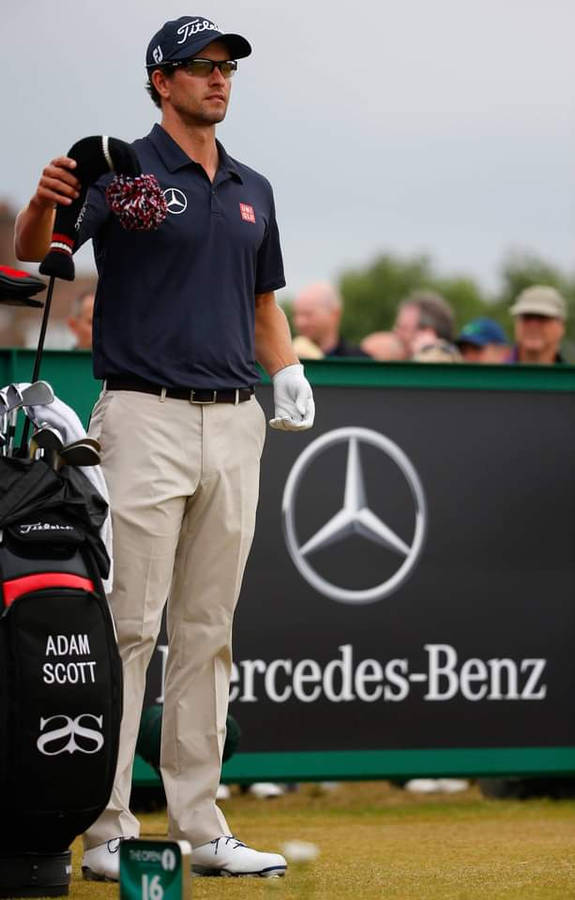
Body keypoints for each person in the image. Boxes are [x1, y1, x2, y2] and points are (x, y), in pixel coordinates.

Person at [15, 15, 314, 880]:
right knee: (128, 626)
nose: (218, 78)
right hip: (143, 414)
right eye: (201, 66)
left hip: (234, 418)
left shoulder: (253, 186)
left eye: (227, 68)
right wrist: (41, 201)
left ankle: (200, 825)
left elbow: (262, 304)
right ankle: (106, 827)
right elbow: (38, 253)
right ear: (161, 80)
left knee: (208, 631)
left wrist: (287, 370)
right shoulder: (120, 167)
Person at [292, 282, 368, 357]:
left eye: (308, 314)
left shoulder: (360, 361)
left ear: (335, 314)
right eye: (296, 314)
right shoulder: (288, 359)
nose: (299, 322)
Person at [509, 285, 568, 364]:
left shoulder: (570, 372)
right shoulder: (495, 371)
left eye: (542, 317)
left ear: (561, 326)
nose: (533, 325)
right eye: (527, 317)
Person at [393, 290, 455, 358]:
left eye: (403, 328)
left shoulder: (446, 358)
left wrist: (426, 352)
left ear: (427, 334)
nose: (395, 332)